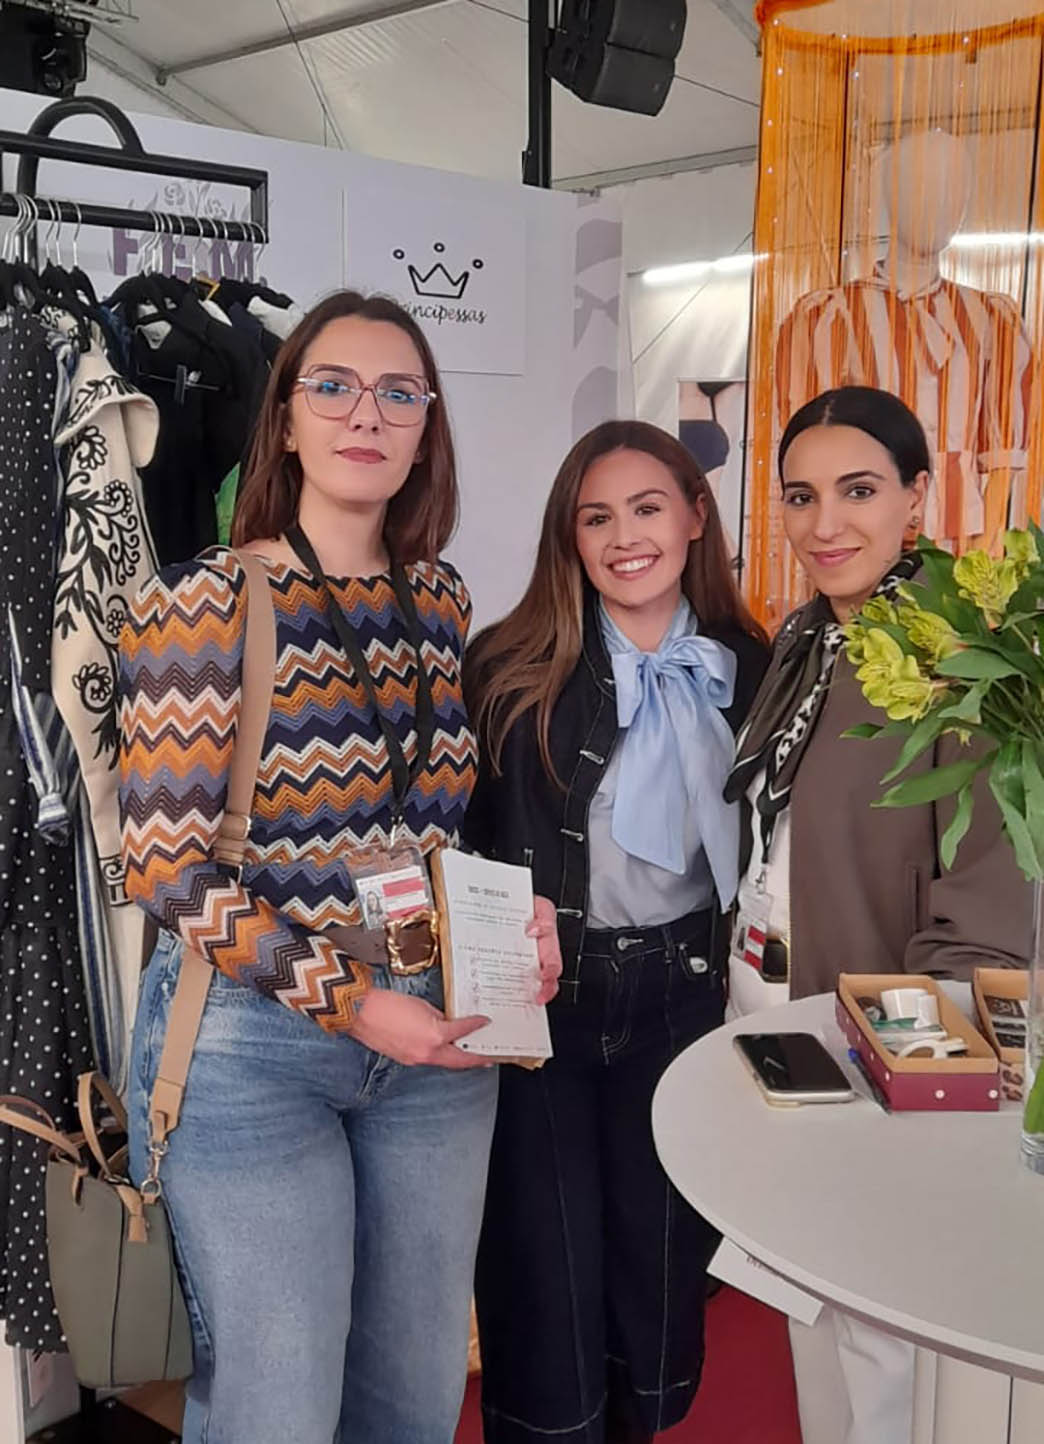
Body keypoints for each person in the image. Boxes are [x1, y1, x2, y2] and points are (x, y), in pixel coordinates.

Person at [117, 289, 561, 1444]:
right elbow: (163, 865)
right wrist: (354, 1004)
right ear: (286, 418)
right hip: (253, 1043)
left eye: (398, 393)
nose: (367, 413)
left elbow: (428, 829)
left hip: (433, 1028)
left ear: (425, 428)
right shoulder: (206, 599)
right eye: (334, 386)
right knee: (278, 1404)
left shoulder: (439, 599)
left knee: (413, 1391)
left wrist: (511, 925)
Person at [725, 385, 1031, 1444]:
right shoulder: (805, 638)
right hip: (775, 1013)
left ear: (917, 495)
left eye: (858, 491)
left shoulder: (969, 657)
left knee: (891, 1339)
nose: (825, 524)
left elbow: (990, 902)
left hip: (878, 1040)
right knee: (816, 1300)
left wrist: (913, 1063)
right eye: (800, 496)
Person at [463, 420, 769, 1443]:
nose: (625, 537)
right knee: (542, 1268)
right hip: (547, 1009)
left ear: (695, 517)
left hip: (685, 1001)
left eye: (647, 509)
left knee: (659, 1265)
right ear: (571, 536)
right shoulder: (511, 665)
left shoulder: (750, 664)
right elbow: (466, 842)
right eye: (597, 518)